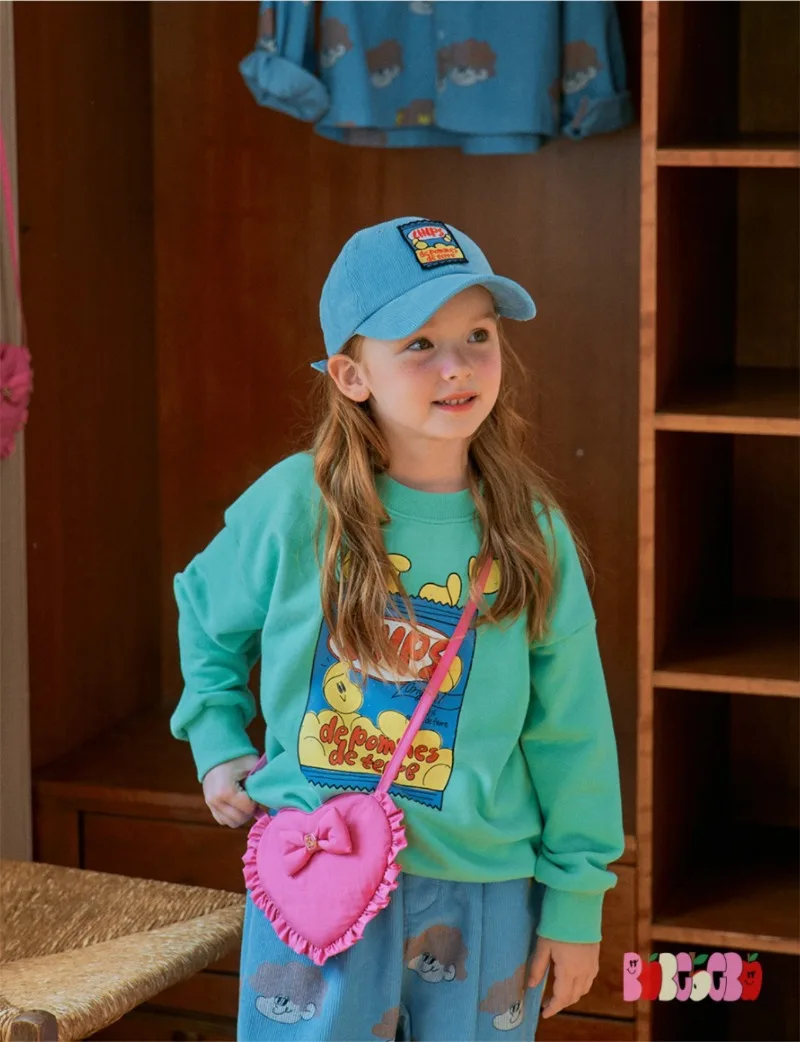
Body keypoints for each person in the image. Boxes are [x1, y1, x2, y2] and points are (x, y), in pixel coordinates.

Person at [170, 217, 625, 1041]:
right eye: (419, 343)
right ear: (351, 375)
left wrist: (577, 904)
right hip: (318, 881)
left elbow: (573, 731)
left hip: (486, 894)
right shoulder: (294, 504)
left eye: (478, 335)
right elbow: (204, 610)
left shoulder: (531, 529)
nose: (457, 365)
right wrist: (215, 735)